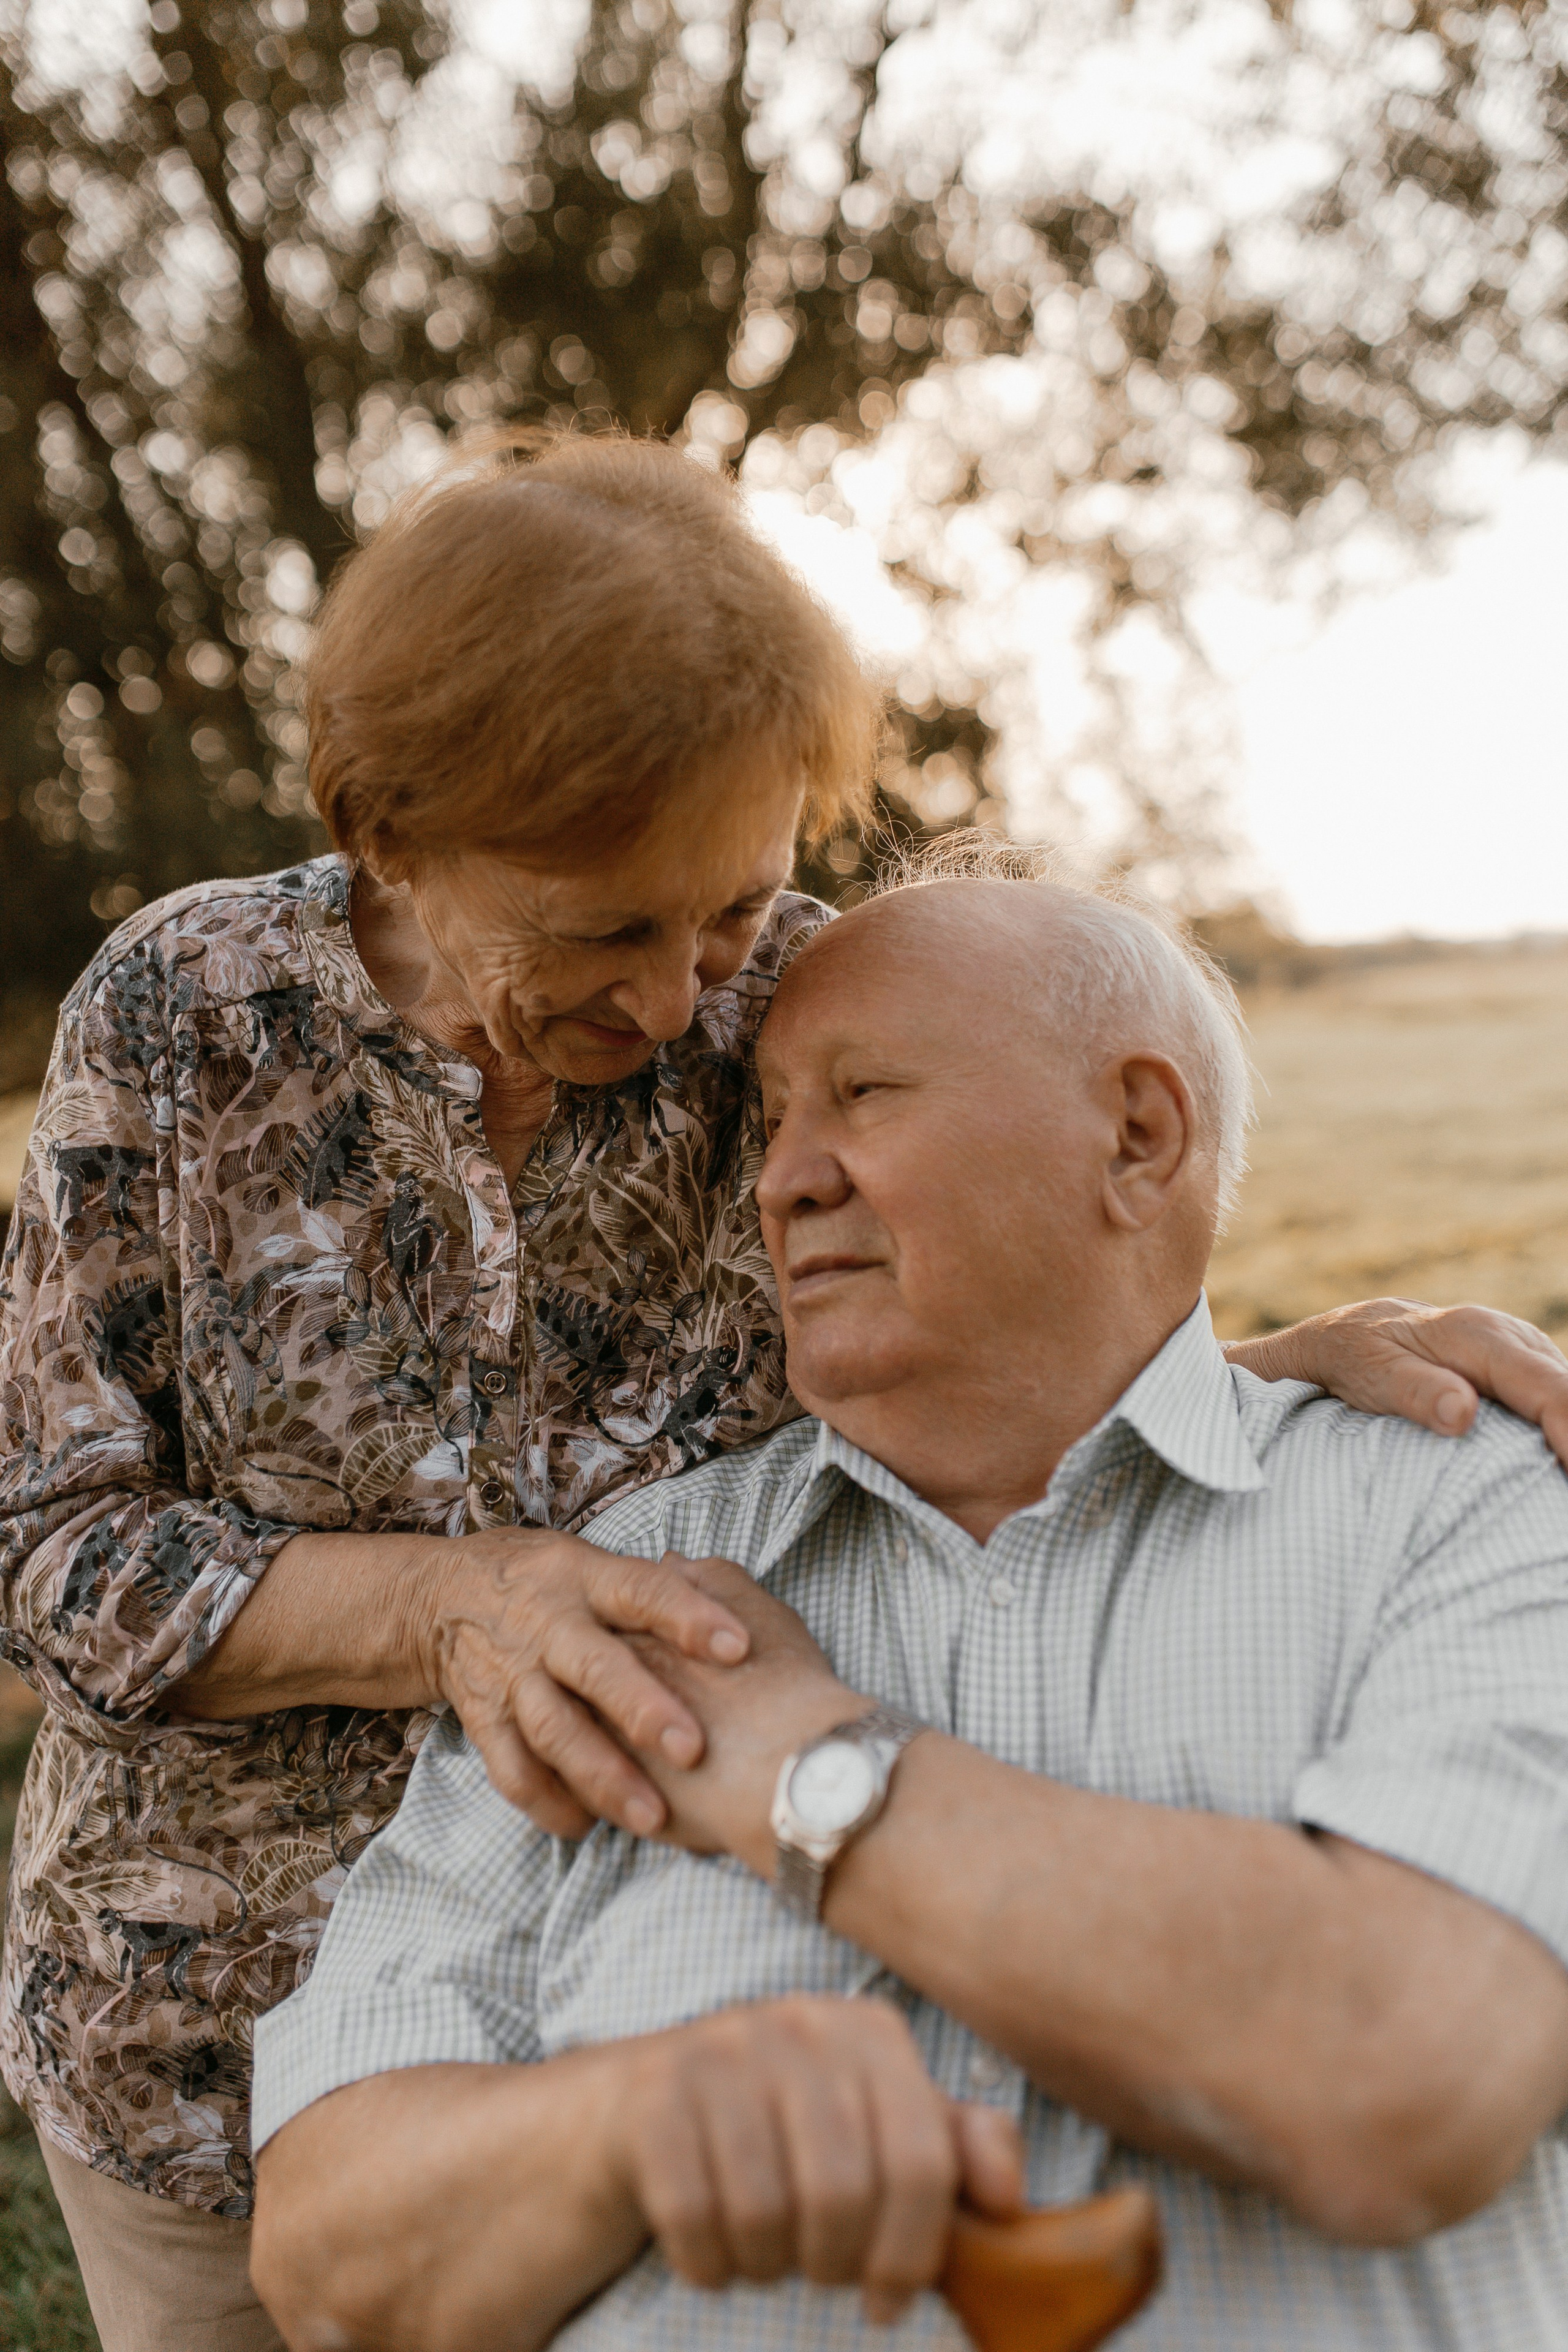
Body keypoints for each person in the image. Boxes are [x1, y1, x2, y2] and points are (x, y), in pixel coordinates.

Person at [0, 433, 1561, 2352]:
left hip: (660, 1886)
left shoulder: (780, 1004)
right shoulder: (182, 1014)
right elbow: (53, 1538)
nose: (678, 1004)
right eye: (601, 931)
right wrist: (460, 1604)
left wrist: (1235, 1375)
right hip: (207, 2006)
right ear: (389, 833)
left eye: (726, 911)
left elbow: (981, 1291)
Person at [252, 868, 1568, 2352]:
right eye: (773, 1119)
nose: (782, 1179)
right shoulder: (628, 1587)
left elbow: (1411, 2082)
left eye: (861, 1093)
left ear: (1138, 1136)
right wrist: (623, 2127)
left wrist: (801, 1766)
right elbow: (325, 2266)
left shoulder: (1468, 1497)